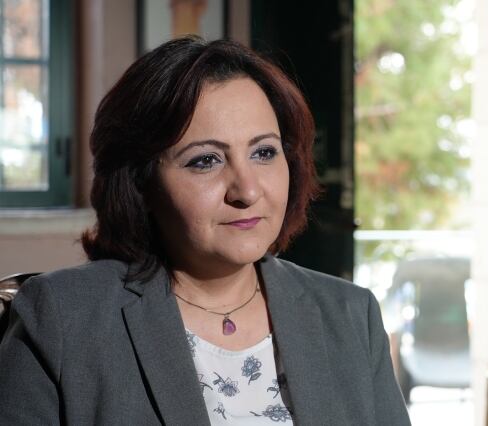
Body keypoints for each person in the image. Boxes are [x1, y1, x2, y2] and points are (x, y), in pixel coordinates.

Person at [0, 37, 411, 425]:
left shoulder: (351, 314)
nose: (247, 190)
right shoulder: (60, 318)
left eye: (264, 152)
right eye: (206, 161)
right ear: (139, 182)